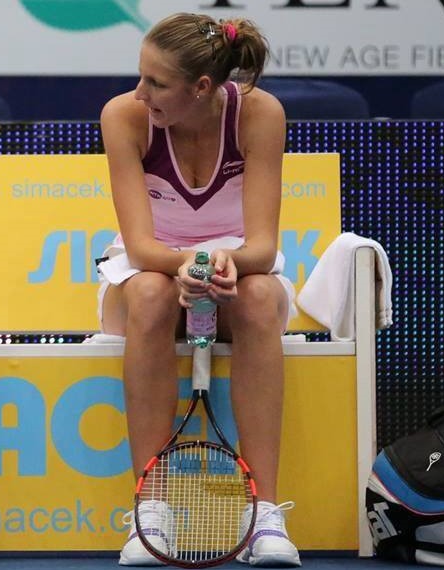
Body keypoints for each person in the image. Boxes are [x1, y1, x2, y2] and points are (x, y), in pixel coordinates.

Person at [97, 13, 302, 567]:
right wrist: (185, 265)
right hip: (149, 274)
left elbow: (261, 243)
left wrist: (223, 263)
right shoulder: (125, 116)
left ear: (204, 87)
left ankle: (262, 515)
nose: (141, 93)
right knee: (151, 294)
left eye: (157, 83)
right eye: (140, 77)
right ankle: (151, 511)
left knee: (259, 297)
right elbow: (140, 249)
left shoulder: (259, 113)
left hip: (235, 272)